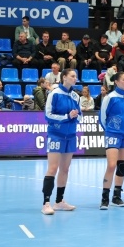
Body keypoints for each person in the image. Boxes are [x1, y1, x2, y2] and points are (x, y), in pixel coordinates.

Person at [41, 69, 81, 215]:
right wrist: (67, 116)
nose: (75, 78)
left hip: (70, 136)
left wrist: (76, 116)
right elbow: (48, 115)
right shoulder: (55, 94)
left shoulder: (76, 96)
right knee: (53, 168)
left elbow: (80, 116)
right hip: (56, 135)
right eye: (72, 76)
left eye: (76, 76)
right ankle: (46, 203)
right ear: (64, 77)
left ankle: (59, 202)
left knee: (65, 169)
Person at [99, 72, 124, 209]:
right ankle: (104, 198)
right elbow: (102, 117)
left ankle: (117, 196)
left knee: (122, 166)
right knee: (111, 165)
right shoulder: (109, 97)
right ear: (116, 81)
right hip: (113, 134)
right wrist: (110, 130)